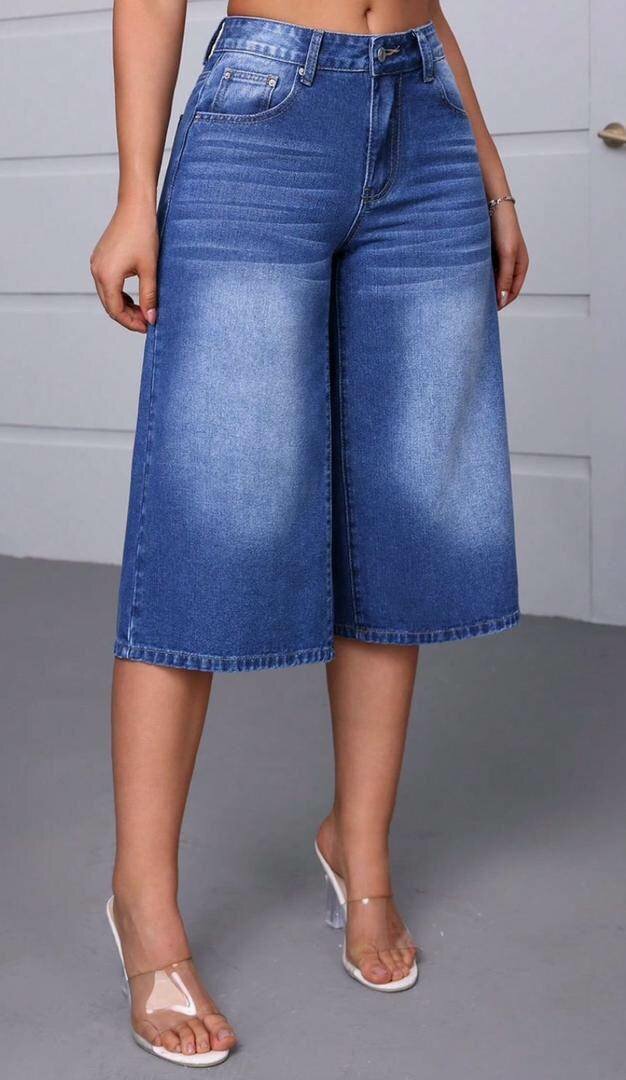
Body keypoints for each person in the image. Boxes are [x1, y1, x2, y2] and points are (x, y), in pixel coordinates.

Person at [91, 0, 528, 1066]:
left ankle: (359, 855)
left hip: (425, 120)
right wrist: (135, 192)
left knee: (400, 519)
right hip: (264, 116)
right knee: (209, 519)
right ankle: (143, 903)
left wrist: (491, 177)